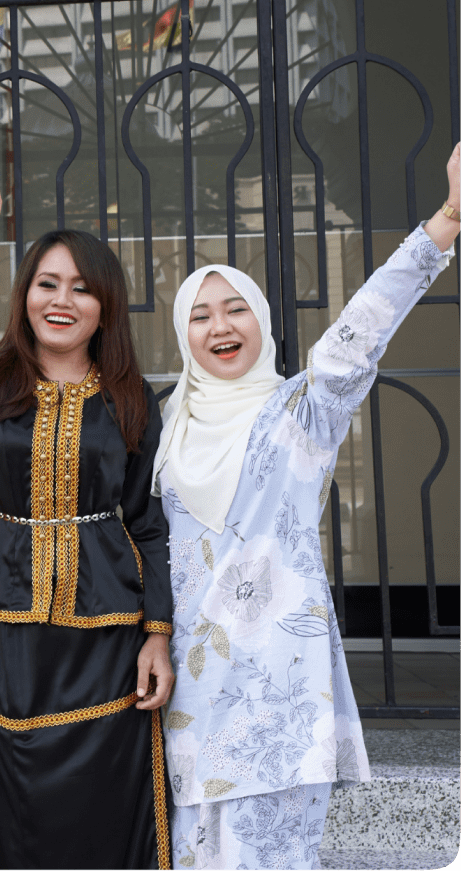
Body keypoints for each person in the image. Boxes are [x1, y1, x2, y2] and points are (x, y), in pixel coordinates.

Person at [155, 142, 461, 870]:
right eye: (199, 315)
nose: (220, 326)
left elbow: (361, 329)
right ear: (183, 333)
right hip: (193, 693)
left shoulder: (300, 409)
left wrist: (446, 222)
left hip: (279, 694)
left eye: (236, 309)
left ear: (261, 320)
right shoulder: (166, 425)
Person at [0, 188, 175, 870]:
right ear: (25, 294)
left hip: (109, 631)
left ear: (105, 306)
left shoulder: (131, 398)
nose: (63, 299)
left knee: (113, 797)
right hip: (13, 625)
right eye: (48, 283)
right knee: (26, 790)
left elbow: (148, 523)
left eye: (82, 288)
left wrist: (158, 635)